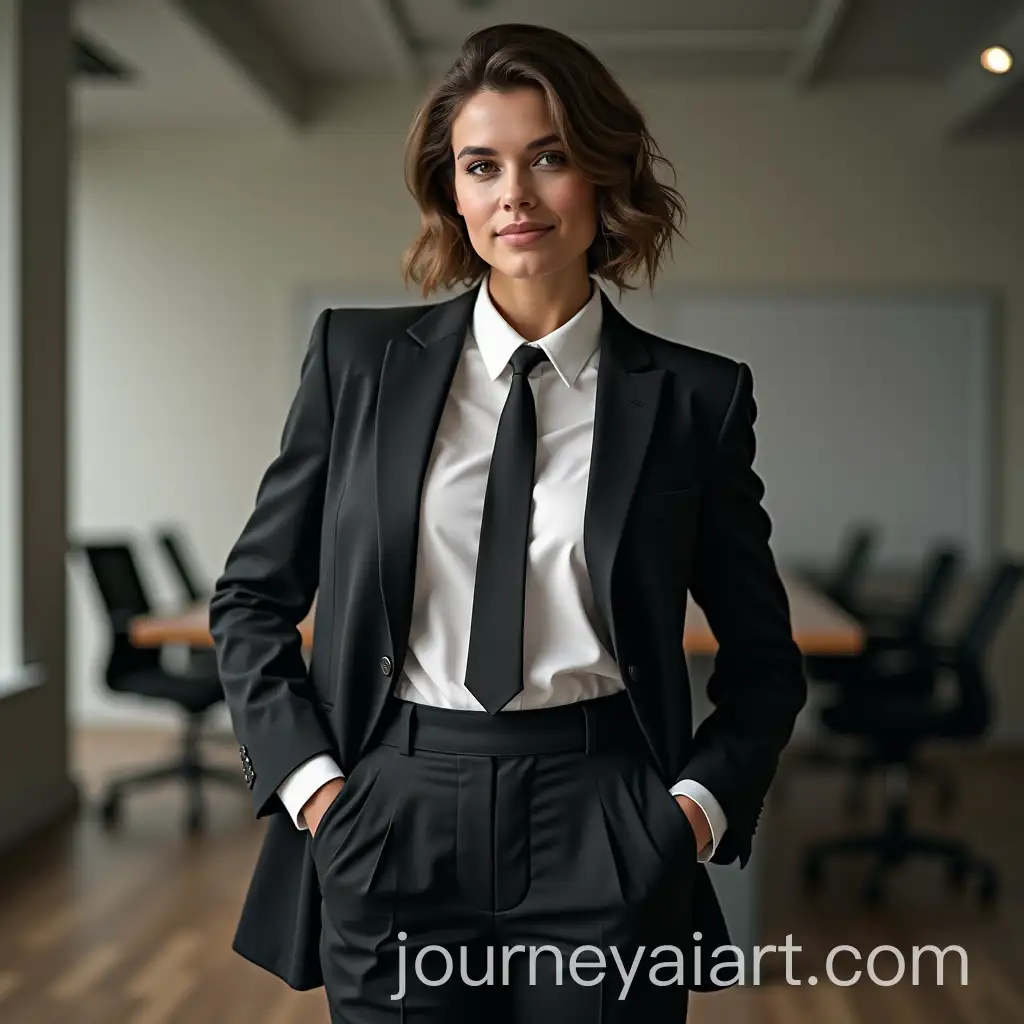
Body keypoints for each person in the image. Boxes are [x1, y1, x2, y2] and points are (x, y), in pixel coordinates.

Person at [210, 22, 806, 1024]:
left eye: (550, 158)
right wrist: (319, 792)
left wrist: (689, 816)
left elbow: (763, 657)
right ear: (452, 190)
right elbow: (252, 597)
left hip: (605, 814)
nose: (514, 197)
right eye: (481, 166)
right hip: (389, 807)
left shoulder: (695, 400)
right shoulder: (357, 362)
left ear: (603, 176)